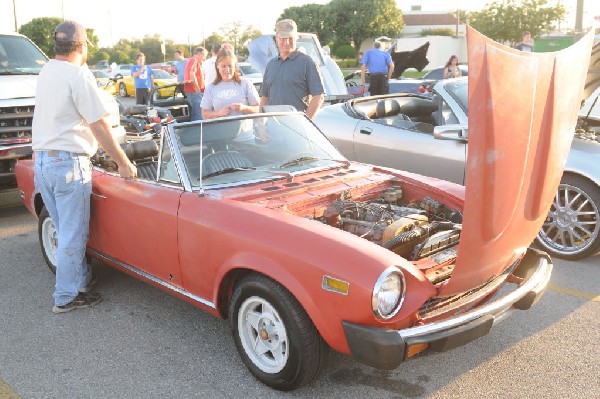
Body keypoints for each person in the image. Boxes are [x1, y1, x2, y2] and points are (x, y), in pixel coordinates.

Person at [31, 20, 137, 314]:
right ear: (81, 46)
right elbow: (98, 123)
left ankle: (81, 281)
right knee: (72, 236)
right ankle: (66, 297)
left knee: (64, 229)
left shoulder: (47, 70)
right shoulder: (77, 75)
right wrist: (123, 162)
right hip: (67, 163)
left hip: (43, 160)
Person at [259, 19, 324, 120]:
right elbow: (264, 97)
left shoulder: (307, 63)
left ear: (296, 38)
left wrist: (306, 122)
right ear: (277, 38)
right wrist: (262, 124)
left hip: (297, 128)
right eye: (283, 38)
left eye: (290, 38)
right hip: (273, 127)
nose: (287, 42)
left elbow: (318, 96)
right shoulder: (271, 65)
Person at [201, 48, 260, 142]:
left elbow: (259, 110)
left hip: (245, 140)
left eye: (230, 66)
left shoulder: (246, 84)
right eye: (223, 66)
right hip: (220, 141)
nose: (227, 70)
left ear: (235, 66)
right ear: (217, 66)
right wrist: (219, 113)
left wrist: (244, 108)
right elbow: (205, 114)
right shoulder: (211, 88)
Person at [184, 47, 207, 121]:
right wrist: (197, 87)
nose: (204, 59)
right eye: (204, 57)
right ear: (200, 54)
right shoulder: (194, 60)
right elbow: (192, 73)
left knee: (195, 111)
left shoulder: (191, 61)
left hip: (191, 89)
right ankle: (199, 129)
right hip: (194, 90)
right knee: (198, 112)